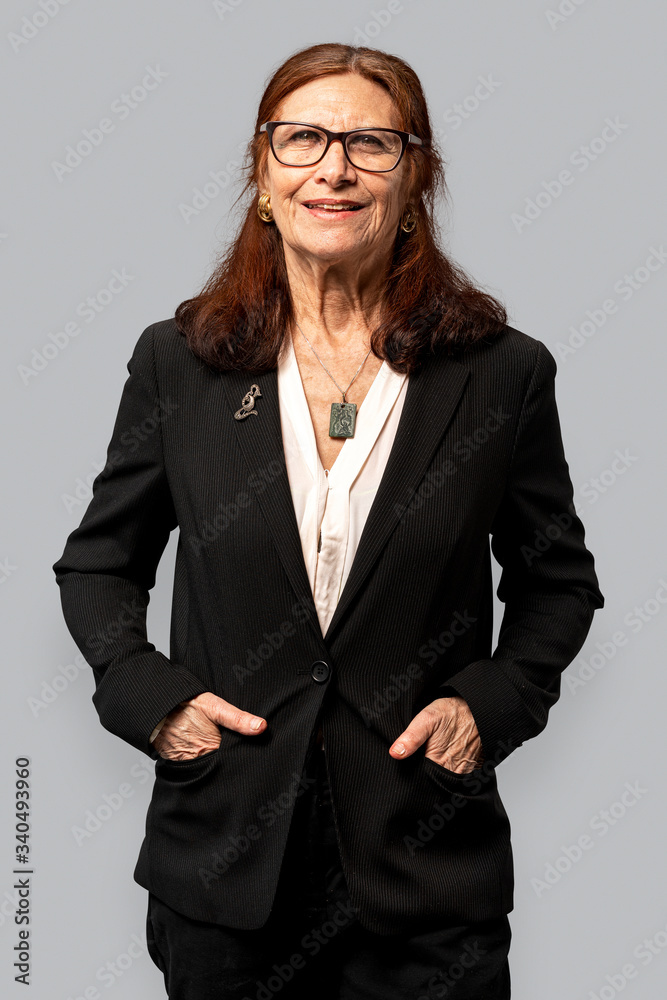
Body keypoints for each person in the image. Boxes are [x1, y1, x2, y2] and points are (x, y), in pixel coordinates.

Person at [52, 42, 604, 999]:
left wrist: (490, 707)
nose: (333, 167)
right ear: (262, 177)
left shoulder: (502, 374)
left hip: (426, 874)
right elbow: (99, 565)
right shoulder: (178, 364)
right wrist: (153, 704)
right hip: (223, 866)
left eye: (370, 143)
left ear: (415, 178)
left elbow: (557, 583)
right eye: (302, 138)